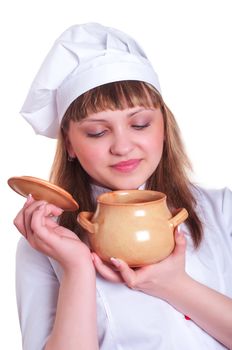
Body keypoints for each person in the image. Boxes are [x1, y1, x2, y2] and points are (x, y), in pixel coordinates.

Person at [13, 23, 232, 350]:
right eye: (97, 132)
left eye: (140, 124)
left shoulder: (222, 210)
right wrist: (76, 269)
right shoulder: (45, 242)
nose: (123, 146)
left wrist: (173, 284)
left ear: (163, 125)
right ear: (69, 144)